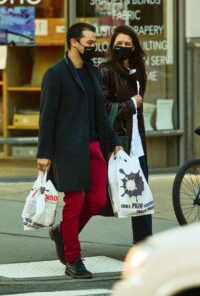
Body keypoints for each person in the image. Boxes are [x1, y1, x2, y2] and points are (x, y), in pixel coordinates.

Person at [36, 22, 122, 279]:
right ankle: (73, 258)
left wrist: (112, 140)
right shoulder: (56, 74)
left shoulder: (93, 73)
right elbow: (47, 116)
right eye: (89, 42)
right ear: (74, 42)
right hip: (67, 149)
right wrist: (44, 152)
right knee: (74, 201)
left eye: (95, 42)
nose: (94, 47)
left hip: (94, 145)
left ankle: (63, 233)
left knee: (98, 200)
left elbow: (101, 113)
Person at [99, 25, 152, 244]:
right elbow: (103, 107)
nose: (122, 48)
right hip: (118, 142)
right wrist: (131, 103)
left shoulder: (138, 71)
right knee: (101, 198)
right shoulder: (105, 70)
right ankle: (65, 232)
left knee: (142, 196)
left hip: (137, 142)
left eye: (127, 44)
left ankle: (144, 246)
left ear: (134, 47)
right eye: (118, 44)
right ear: (112, 46)